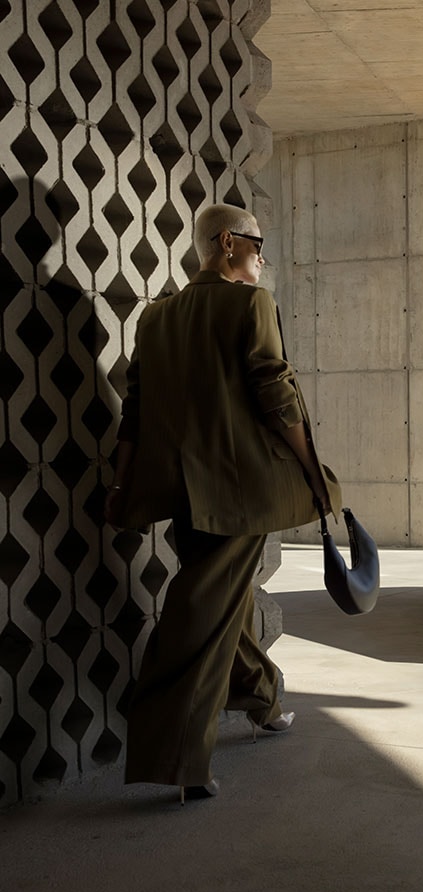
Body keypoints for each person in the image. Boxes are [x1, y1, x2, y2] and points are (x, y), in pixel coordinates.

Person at [104, 203, 340, 804]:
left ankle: (261, 701)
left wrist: (120, 486)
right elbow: (275, 392)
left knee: (221, 604)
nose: (263, 256)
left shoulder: (156, 319)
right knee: (198, 617)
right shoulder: (249, 304)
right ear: (228, 242)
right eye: (258, 245)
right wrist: (314, 470)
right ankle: (179, 759)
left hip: (183, 493)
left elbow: (134, 412)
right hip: (240, 494)